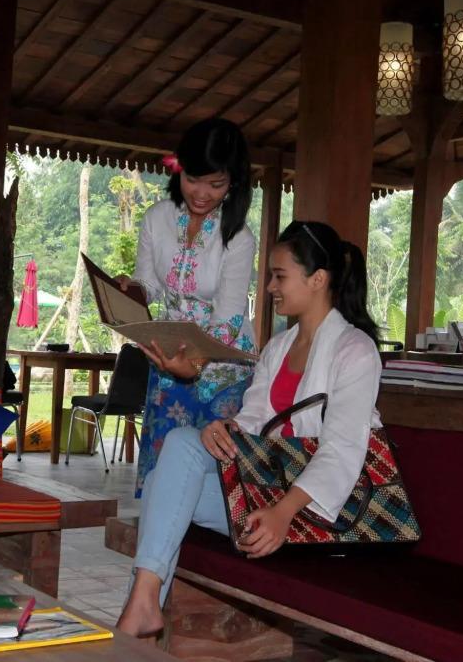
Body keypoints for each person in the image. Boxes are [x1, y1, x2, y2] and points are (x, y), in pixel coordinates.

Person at [117, 220, 382, 638]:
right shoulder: (278, 347)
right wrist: (224, 429)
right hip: (270, 488)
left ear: (317, 279)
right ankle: (144, 604)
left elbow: (343, 450)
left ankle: (138, 611)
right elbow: (254, 419)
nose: (271, 287)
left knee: (161, 484)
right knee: (178, 452)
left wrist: (283, 513)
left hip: (320, 510)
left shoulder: (356, 351)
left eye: (280, 276)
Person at [115, 118, 257, 497]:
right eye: (193, 179)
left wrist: (194, 364)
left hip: (223, 368)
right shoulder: (156, 219)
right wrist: (131, 290)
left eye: (216, 184)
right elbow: (149, 285)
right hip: (168, 359)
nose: (202, 193)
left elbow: (227, 320)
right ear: (180, 169)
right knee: (163, 469)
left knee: (215, 474)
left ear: (233, 183)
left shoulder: (239, 239)